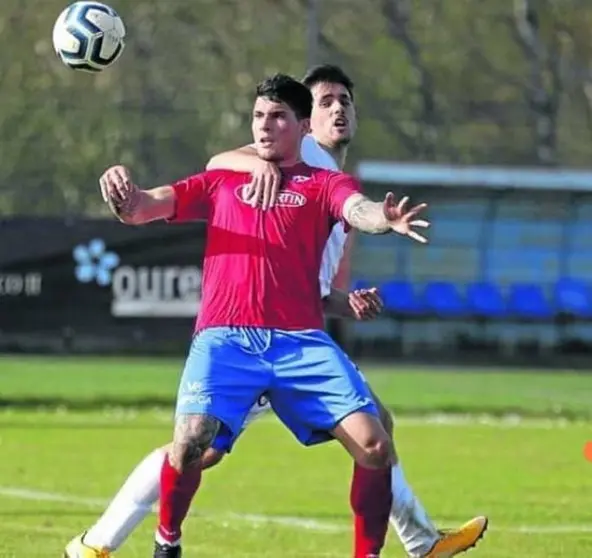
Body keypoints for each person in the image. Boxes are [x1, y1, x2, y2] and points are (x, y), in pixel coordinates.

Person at [63, 70, 483, 558]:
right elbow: (142, 208)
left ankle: (394, 548)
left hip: (299, 341)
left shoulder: (323, 183)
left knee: (374, 441)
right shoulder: (224, 179)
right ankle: (160, 543)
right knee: (192, 445)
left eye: (276, 116)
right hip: (227, 340)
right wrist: (124, 195)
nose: (263, 126)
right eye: (258, 116)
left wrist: (381, 221)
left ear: (300, 127)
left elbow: (356, 208)